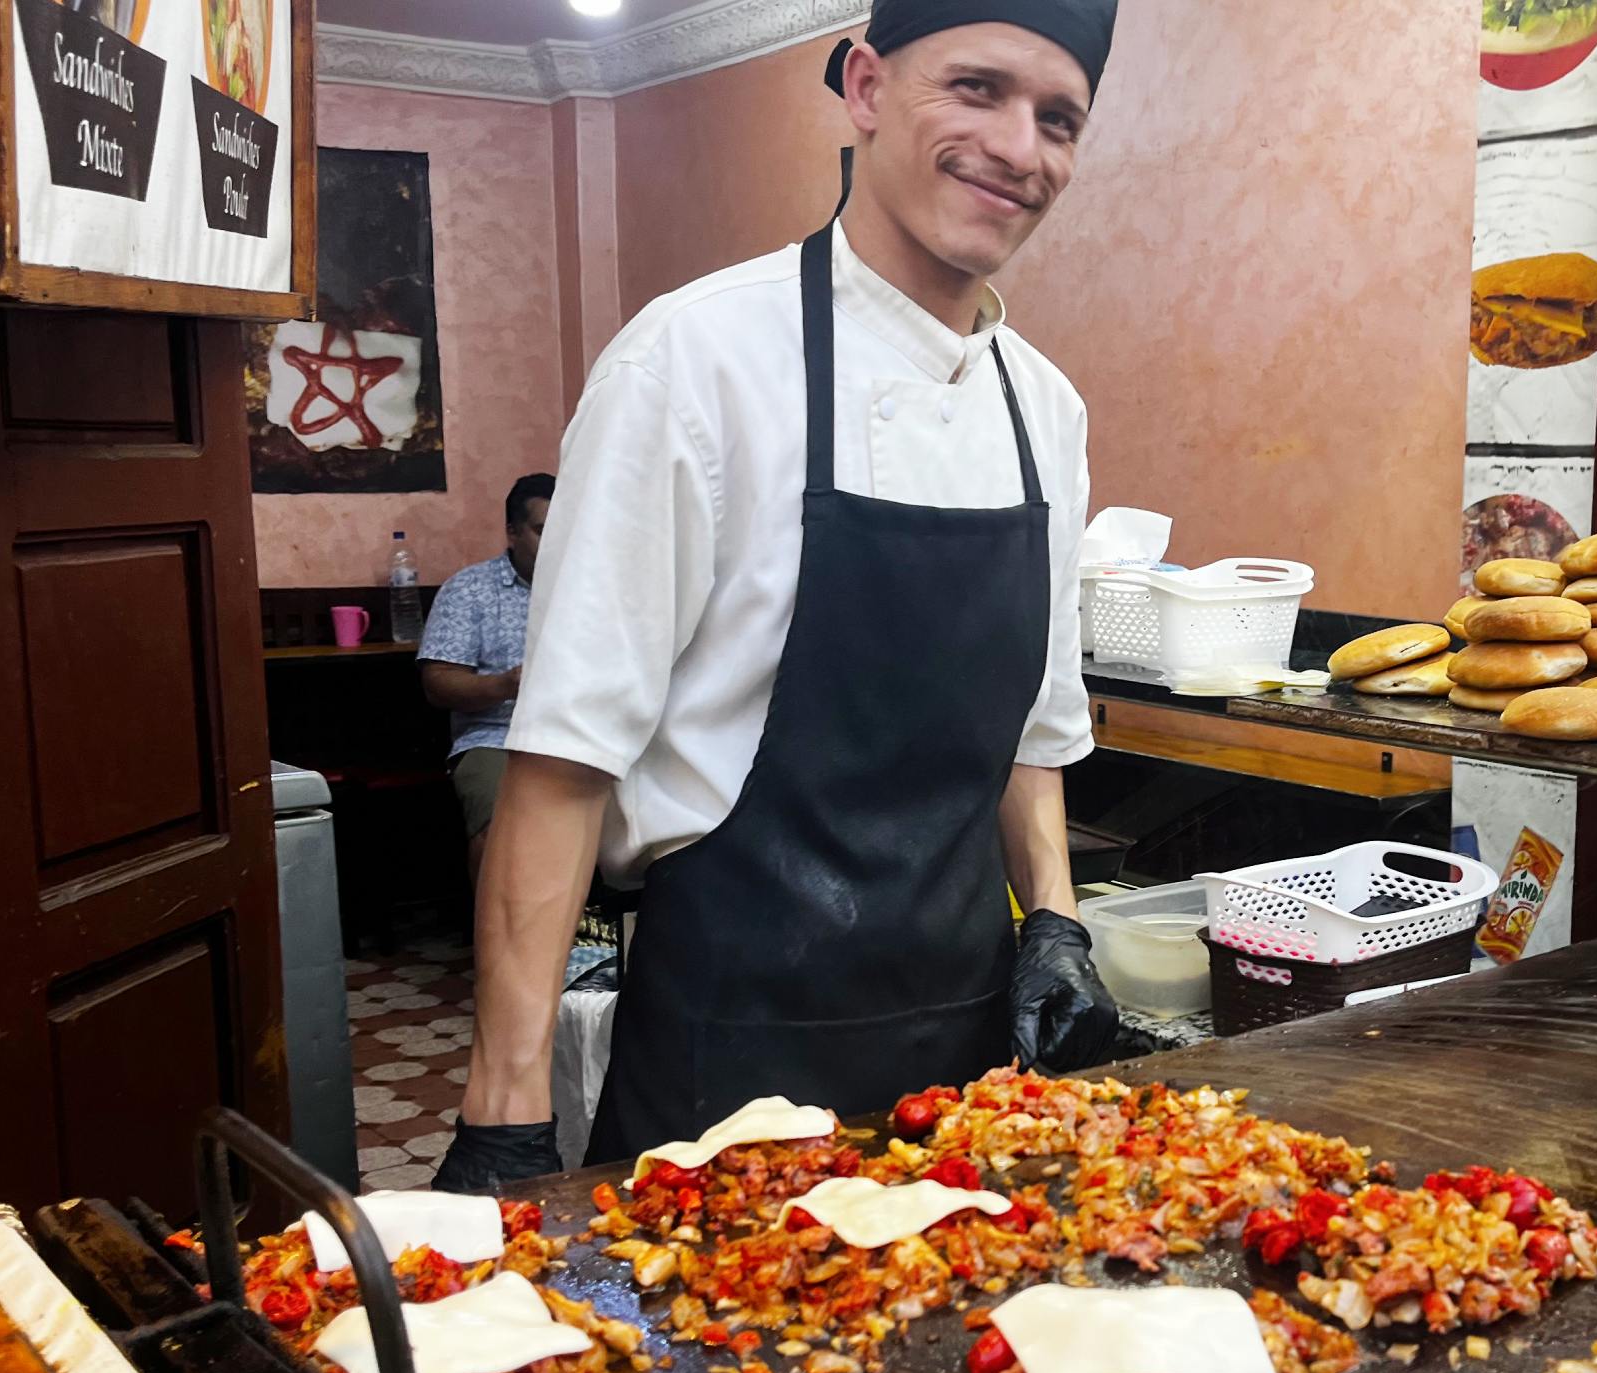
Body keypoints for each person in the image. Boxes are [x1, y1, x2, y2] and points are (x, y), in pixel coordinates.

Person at [433, 0, 1124, 1190]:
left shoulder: (1044, 413)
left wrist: (1053, 925)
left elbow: (1033, 734)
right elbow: (559, 767)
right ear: (863, 87)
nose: (1020, 146)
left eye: (1056, 118)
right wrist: (504, 1111)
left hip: (963, 1057)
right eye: (975, 88)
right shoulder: (693, 361)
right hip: (730, 1046)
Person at [418, 472, 552, 885]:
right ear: (512, 533)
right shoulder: (470, 590)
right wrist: (508, 684)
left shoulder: (594, 587)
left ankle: (607, 941)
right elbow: (438, 683)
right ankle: (501, 944)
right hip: (498, 737)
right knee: (502, 823)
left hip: (585, 730)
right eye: (543, 531)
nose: (558, 543)